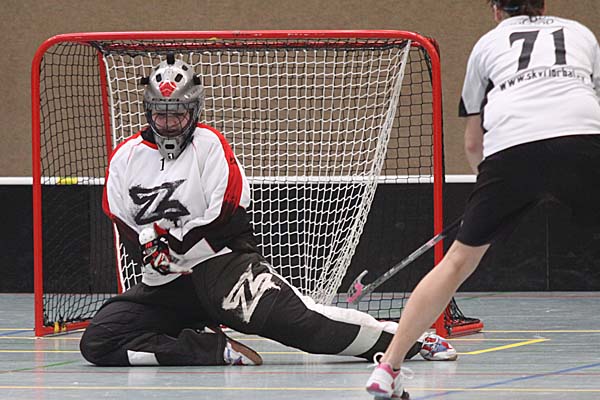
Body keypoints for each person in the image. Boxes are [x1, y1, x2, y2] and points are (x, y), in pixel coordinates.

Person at [79, 54, 457, 367]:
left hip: (222, 270)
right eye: (160, 114)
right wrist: (148, 251)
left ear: (194, 110)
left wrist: (172, 246)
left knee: (306, 326)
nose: (169, 124)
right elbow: (121, 220)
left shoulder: (210, 146)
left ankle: (411, 339)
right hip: (164, 284)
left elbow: (225, 214)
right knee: (99, 342)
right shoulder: (125, 157)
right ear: (148, 111)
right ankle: (210, 348)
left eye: (178, 114)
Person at [366, 0, 600, 398]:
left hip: (511, 151)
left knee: (457, 262)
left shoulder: (487, 45)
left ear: (495, 10)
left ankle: (388, 368)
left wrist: (489, 190)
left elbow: (474, 142)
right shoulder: (581, 33)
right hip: (581, 140)